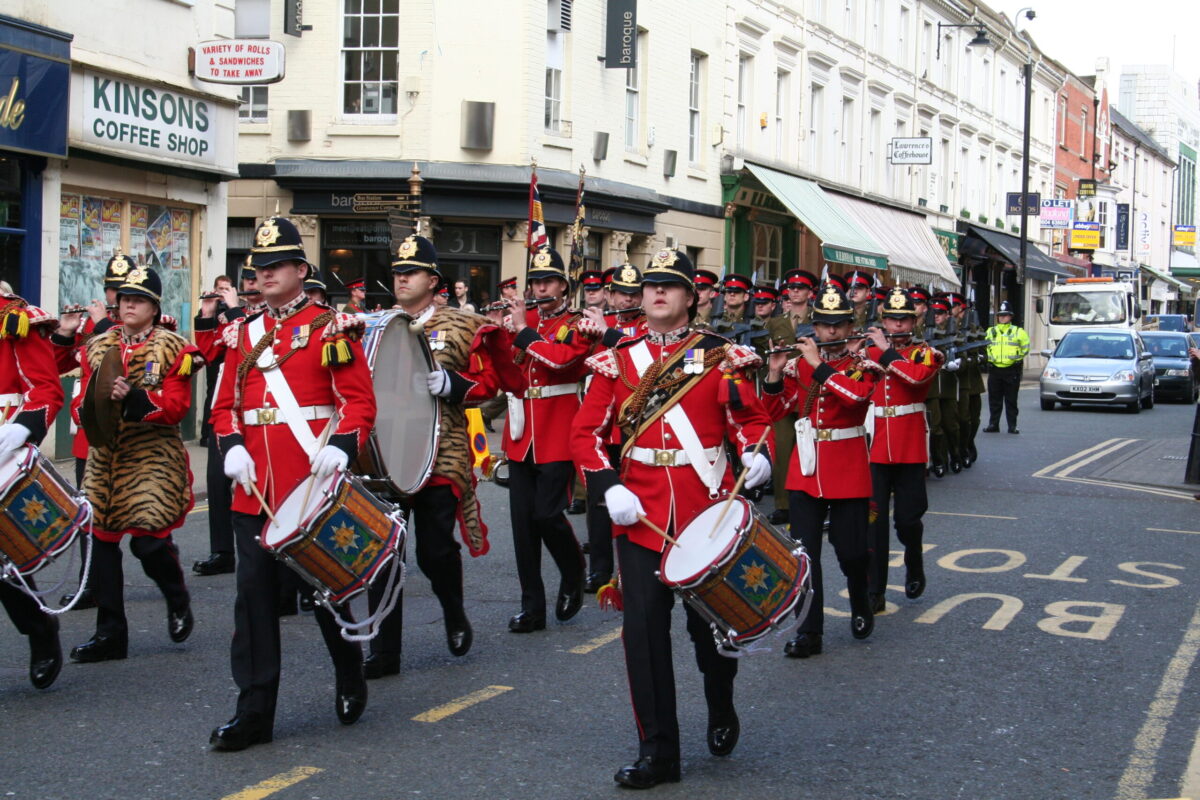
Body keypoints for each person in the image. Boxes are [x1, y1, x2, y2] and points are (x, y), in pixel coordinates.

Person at [570, 248, 774, 789]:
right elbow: (585, 435)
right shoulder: (617, 359)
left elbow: (749, 419)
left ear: (690, 296)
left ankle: (721, 700)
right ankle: (658, 751)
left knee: (709, 630)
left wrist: (757, 454)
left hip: (705, 510)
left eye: (670, 285)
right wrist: (607, 485)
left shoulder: (721, 355)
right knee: (643, 634)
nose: (658, 292)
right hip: (638, 513)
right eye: (651, 285)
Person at [208, 217, 376, 751]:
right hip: (252, 487)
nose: (266, 274)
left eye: (277, 265)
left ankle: (349, 668)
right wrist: (231, 447)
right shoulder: (244, 332)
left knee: (325, 590)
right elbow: (223, 407)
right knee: (253, 602)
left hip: (310, 483)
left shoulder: (332, 327)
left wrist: (341, 445)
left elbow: (358, 402)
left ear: (301, 270)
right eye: (260, 267)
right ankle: (254, 713)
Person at [362, 235, 500, 678]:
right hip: (386, 451)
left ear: (433, 280)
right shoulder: (377, 323)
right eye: (397, 271)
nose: (401, 278)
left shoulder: (462, 324)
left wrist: (456, 386)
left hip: (442, 448)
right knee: (384, 554)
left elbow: (492, 385)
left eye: (411, 272)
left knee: (434, 551)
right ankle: (385, 652)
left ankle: (454, 610)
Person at [69, 266, 200, 664]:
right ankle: (110, 633)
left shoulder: (175, 348)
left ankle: (177, 598)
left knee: (148, 541)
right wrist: (85, 413)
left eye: (138, 299)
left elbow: (176, 406)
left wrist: (133, 400)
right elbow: (81, 398)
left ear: (154, 308)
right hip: (106, 456)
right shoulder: (97, 345)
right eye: (125, 298)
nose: (128, 304)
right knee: (102, 543)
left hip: (151, 456)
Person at [762, 282, 879, 659]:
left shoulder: (863, 366)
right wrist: (776, 374)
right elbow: (775, 412)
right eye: (824, 325)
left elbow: (856, 398)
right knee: (803, 555)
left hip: (846, 466)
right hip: (806, 470)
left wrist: (817, 365)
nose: (830, 332)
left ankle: (860, 597)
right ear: (815, 327)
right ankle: (809, 632)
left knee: (851, 553)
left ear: (849, 328)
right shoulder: (800, 366)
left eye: (838, 325)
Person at [496, 245, 589, 633]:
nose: (540, 288)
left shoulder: (578, 322)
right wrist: (499, 331)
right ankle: (531, 607)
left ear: (563, 287)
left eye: (548, 281)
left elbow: (561, 360)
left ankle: (573, 570)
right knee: (523, 526)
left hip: (558, 431)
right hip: (522, 433)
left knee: (548, 515)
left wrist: (521, 331)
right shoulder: (524, 319)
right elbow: (506, 371)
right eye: (535, 282)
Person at [0, 291, 66, 688]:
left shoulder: (15, 318)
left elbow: (45, 389)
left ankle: (39, 628)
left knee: (4, 568)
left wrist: (19, 431)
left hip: (2, 445)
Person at [863, 288, 942, 614]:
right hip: (875, 445)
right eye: (891, 320)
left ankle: (914, 560)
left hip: (909, 447)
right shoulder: (866, 352)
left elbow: (915, 379)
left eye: (903, 320)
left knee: (908, 520)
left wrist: (883, 353)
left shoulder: (926, 353)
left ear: (914, 320)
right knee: (874, 524)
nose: (896, 327)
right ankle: (874, 591)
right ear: (882, 320)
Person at [577, 263, 645, 593]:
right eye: (620, 293)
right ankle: (599, 570)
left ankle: (634, 566)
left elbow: (642, 358)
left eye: (633, 294)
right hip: (602, 424)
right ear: (610, 294)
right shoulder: (601, 324)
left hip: (635, 426)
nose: (625, 299)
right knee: (599, 499)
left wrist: (605, 332)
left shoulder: (647, 326)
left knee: (636, 496)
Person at [191, 271, 248, 577]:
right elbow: (207, 353)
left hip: (256, 409)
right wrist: (208, 314)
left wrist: (236, 309)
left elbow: (253, 342)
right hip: (224, 410)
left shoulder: (260, 314)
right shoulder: (227, 319)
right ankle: (222, 551)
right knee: (216, 479)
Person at [926, 297, 962, 476]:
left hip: (947, 385)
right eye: (934, 313)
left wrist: (960, 362)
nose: (936, 317)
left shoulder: (953, 331)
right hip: (931, 386)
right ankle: (938, 460)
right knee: (935, 426)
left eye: (940, 313)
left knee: (951, 425)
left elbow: (965, 349)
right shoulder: (924, 331)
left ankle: (955, 455)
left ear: (947, 315)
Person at [984, 300, 1028, 435]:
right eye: (1000, 315)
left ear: (1011, 317)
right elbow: (985, 347)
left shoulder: (1018, 332)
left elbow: (1025, 348)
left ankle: (1012, 426)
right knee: (994, 400)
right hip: (995, 369)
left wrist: (1017, 359)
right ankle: (993, 424)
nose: (1002, 317)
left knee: (1011, 400)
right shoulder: (991, 331)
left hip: (1011, 370)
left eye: (1005, 315)